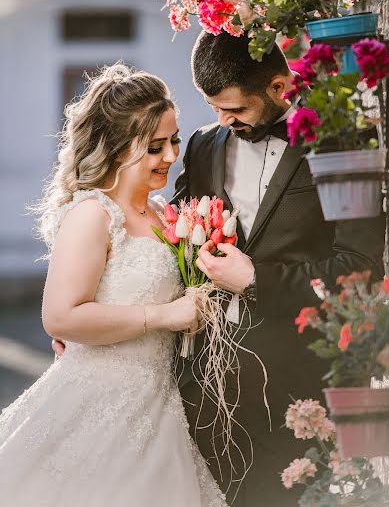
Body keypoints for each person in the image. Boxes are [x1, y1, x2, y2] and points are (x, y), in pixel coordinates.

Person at [174, 31, 386, 506]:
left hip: (300, 389)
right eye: (214, 110)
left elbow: (360, 266)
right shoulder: (204, 146)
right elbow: (176, 238)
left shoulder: (339, 141)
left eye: (237, 111)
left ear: (277, 87)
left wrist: (256, 281)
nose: (225, 122)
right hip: (210, 389)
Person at [0, 64, 227, 507]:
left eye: (174, 141)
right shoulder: (93, 215)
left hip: (160, 406)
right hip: (97, 406)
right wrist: (164, 315)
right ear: (119, 148)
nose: (170, 157)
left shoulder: (165, 215)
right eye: (155, 147)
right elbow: (60, 316)